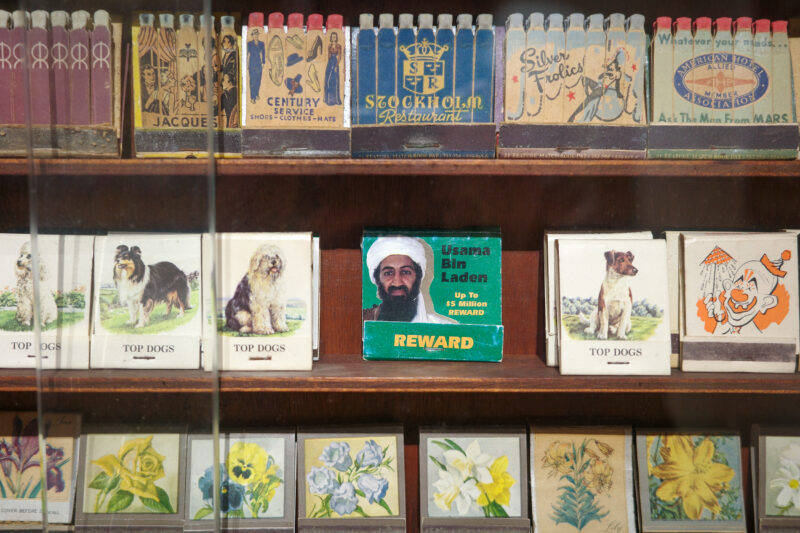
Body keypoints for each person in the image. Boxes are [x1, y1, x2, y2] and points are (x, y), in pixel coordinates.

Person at [363, 236, 453, 323]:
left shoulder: (443, 328)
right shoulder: (362, 322)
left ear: (418, 276)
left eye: (406, 272)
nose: (397, 282)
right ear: (377, 278)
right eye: (388, 273)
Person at [247, 27, 265, 104]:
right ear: (252, 36)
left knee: (258, 80)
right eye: (254, 35)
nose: (255, 36)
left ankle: (256, 93)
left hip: (258, 63)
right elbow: (247, 54)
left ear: (258, 35)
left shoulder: (261, 43)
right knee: (252, 81)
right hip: (251, 63)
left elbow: (263, 53)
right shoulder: (249, 44)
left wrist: (263, 62)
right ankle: (252, 97)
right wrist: (247, 64)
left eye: (257, 34)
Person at [324, 31, 342, 106]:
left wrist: (336, 66)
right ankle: (328, 99)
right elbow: (329, 56)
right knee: (328, 81)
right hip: (330, 63)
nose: (333, 38)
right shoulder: (329, 46)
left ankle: (336, 100)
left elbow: (339, 57)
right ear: (331, 38)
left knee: (335, 81)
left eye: (335, 37)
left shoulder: (338, 46)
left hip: (335, 63)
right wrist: (329, 64)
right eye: (332, 37)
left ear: (336, 38)